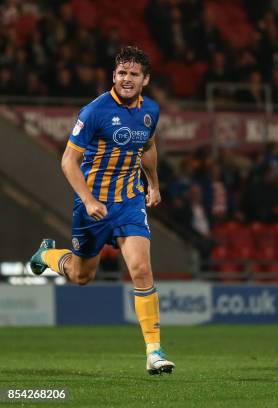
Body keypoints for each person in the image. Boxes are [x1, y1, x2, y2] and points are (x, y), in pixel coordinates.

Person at [28, 46, 175, 375]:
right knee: (82, 276)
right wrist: (90, 200)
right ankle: (46, 256)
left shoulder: (151, 111)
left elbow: (148, 146)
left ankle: (154, 351)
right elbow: (68, 160)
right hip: (91, 205)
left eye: (133, 74)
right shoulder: (94, 111)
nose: (126, 79)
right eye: (121, 73)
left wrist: (153, 184)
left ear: (145, 80)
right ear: (113, 76)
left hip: (129, 202)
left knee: (141, 271)